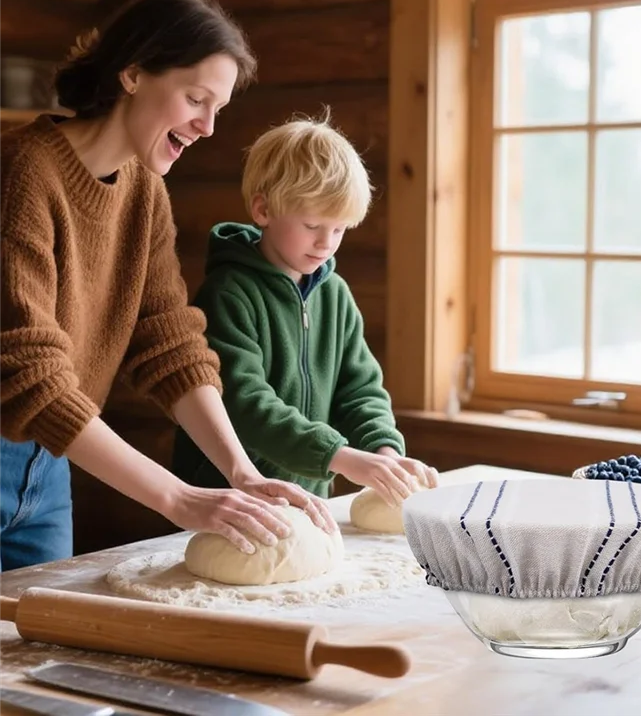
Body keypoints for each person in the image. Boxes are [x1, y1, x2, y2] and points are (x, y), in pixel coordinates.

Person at [0, 0, 336, 573]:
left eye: (218, 109)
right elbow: (30, 374)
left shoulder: (144, 191)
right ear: (132, 73)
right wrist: (177, 498)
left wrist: (241, 472)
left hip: (49, 464)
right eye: (196, 99)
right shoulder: (22, 175)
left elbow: (169, 344)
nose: (208, 127)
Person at [170, 112, 438, 509]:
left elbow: (360, 390)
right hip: (228, 499)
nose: (326, 243)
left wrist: (383, 451)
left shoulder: (335, 295)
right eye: (312, 225)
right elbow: (245, 403)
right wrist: (339, 457)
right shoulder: (229, 293)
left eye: (340, 229)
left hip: (308, 501)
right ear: (263, 210)